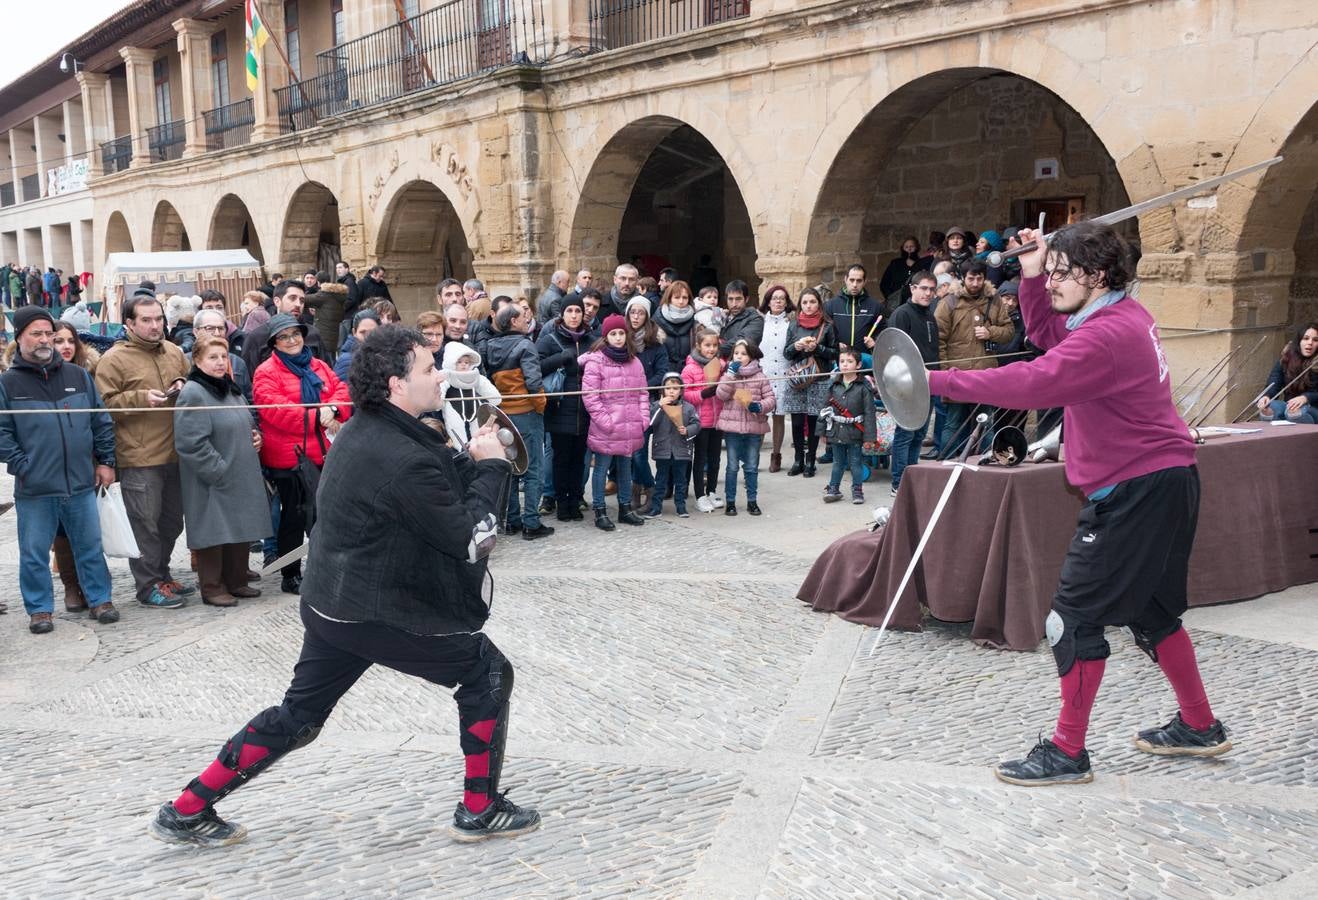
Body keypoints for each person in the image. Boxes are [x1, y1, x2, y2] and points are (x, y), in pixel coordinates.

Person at [150, 324, 540, 847]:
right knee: (488, 673)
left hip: (334, 602)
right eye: (428, 368)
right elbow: (473, 541)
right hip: (374, 611)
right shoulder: (397, 452)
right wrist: (491, 469)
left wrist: (467, 458)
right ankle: (480, 808)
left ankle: (186, 808)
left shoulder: (369, 427)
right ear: (398, 385)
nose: (440, 376)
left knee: (300, 716)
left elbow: (417, 490)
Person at [927, 221, 1231, 786]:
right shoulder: (1120, 315)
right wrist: (1033, 273)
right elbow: (1048, 336)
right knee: (1153, 612)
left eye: (1064, 273)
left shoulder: (1106, 336)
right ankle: (1199, 724)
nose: (1054, 283)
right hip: (1166, 480)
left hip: (1136, 488)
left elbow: (1033, 383)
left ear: (1095, 275)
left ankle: (1068, 752)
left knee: (1070, 620)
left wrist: (936, 383)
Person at [0, 307, 119, 633]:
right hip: (35, 488)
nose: (43, 339)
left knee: (89, 548)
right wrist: (25, 466)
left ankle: (100, 600)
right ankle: (40, 609)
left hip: (80, 482)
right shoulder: (7, 384)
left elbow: (100, 421)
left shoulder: (77, 376)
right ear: (19, 337)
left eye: (47, 333)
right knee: (35, 553)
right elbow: (2, 434)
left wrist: (106, 461)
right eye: (35, 333)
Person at [96, 294, 194, 609]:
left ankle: (162, 575)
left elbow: (192, 384)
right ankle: (147, 585)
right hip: (139, 458)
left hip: (176, 453)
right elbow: (102, 407)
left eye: (159, 319)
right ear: (129, 323)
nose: (155, 326)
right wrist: (139, 398)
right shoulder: (113, 358)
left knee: (171, 523)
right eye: (147, 320)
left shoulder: (174, 352)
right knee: (145, 525)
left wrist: (182, 383)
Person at [253, 314, 352, 595]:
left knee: (325, 513)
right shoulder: (265, 372)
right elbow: (275, 409)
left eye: (295, 334)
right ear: (275, 342)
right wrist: (318, 415)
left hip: (323, 452)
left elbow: (340, 390)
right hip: (289, 457)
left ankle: (326, 567)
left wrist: (332, 409)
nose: (292, 340)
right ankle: (291, 574)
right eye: (284, 336)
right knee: (295, 516)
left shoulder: (318, 364)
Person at [174, 335, 270, 607]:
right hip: (212, 478)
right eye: (212, 357)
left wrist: (255, 437)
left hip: (237, 471)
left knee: (239, 527)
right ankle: (212, 586)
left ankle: (237, 579)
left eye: (223, 357)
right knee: (213, 531)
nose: (219, 363)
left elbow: (243, 422)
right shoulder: (193, 392)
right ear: (197, 360)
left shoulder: (229, 388)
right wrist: (217, 470)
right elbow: (190, 442)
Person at [484, 303, 552, 540]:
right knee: (533, 470)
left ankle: (512, 521)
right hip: (527, 414)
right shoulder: (526, 345)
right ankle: (531, 522)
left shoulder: (489, 346)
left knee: (512, 468)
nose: (527, 319)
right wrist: (541, 407)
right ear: (513, 321)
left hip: (504, 416)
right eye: (523, 316)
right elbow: (534, 384)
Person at [935, 259, 1013, 457]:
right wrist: (944, 374)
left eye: (979, 278)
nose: (976, 283)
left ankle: (988, 465)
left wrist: (990, 332)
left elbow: (1009, 331)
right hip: (957, 372)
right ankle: (947, 464)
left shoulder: (994, 300)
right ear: (963, 278)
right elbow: (939, 340)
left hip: (985, 371)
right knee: (953, 424)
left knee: (986, 423)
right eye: (971, 278)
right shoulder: (949, 302)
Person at [580, 313, 648, 531]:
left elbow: (643, 393)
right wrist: (606, 422)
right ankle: (600, 510)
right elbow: (590, 396)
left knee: (625, 467)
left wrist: (643, 419)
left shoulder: (634, 361)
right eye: (613, 333)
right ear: (606, 336)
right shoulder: (596, 361)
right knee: (601, 468)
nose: (618, 337)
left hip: (631, 424)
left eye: (621, 333)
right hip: (607, 426)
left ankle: (625, 508)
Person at [536, 296, 592, 522]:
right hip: (560, 408)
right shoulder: (549, 339)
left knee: (579, 458)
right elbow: (536, 367)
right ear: (563, 314)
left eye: (577, 310)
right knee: (561, 458)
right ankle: (561, 502)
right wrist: (560, 358)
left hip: (585, 409)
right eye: (569, 310)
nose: (574, 315)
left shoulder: (591, 339)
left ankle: (575, 499)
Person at [886, 272, 939, 494]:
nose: (928, 293)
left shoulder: (930, 315)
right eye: (924, 288)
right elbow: (894, 351)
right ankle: (899, 482)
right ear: (913, 288)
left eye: (931, 289)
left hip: (929, 383)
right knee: (905, 433)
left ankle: (912, 477)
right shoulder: (902, 314)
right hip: (909, 385)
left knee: (919, 434)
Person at [781, 287, 838, 478]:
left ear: (818, 303)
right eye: (804, 302)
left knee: (814, 421)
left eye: (812, 302)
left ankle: (811, 460)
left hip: (819, 378)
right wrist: (795, 346)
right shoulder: (793, 325)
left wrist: (818, 348)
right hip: (798, 377)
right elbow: (786, 353)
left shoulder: (828, 325)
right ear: (800, 305)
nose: (808, 306)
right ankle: (798, 459)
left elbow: (835, 353)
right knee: (797, 422)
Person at [715, 338, 775, 516]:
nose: (739, 357)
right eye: (736, 353)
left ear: (751, 356)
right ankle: (731, 502)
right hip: (733, 430)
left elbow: (771, 399)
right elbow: (721, 395)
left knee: (751, 467)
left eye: (743, 354)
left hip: (753, 428)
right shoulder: (729, 374)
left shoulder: (760, 376)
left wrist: (761, 406)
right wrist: (729, 376)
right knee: (732, 467)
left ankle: (752, 501)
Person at [820, 347, 878, 505]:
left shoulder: (864, 387)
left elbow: (870, 413)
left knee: (855, 463)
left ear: (858, 365)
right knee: (838, 463)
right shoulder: (833, 385)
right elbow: (824, 410)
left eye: (850, 361)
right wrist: (823, 432)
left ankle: (857, 490)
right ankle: (833, 489)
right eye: (842, 361)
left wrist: (870, 437)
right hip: (837, 432)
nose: (845, 364)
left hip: (855, 433)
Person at [625, 296, 667, 510]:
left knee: (640, 450)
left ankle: (649, 489)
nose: (636, 316)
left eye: (641, 312)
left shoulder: (656, 343)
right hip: (625, 403)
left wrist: (640, 385)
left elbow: (662, 372)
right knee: (632, 450)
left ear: (647, 316)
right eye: (633, 312)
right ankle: (637, 489)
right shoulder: (621, 339)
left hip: (648, 402)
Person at [644, 373, 700, 518]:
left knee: (681, 481)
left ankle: (681, 507)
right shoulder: (656, 406)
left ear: (681, 391)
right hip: (662, 450)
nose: (671, 391)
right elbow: (650, 423)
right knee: (660, 480)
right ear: (662, 390)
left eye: (675, 388)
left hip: (681, 450)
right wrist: (660, 407)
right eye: (668, 388)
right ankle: (656, 508)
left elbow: (697, 424)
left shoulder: (688, 407)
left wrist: (687, 430)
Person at [683, 327, 726, 512]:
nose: (711, 349)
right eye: (707, 345)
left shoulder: (721, 366)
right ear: (698, 346)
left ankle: (711, 491)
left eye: (714, 345)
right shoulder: (690, 368)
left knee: (715, 458)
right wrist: (703, 394)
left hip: (718, 420)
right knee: (700, 459)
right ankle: (700, 494)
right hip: (700, 421)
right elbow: (684, 394)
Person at [243, 281, 326, 373]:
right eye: (292, 298)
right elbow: (250, 378)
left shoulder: (313, 333)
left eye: (302, 300)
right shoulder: (257, 337)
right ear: (277, 301)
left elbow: (326, 370)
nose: (298, 304)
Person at [758, 284, 793, 473]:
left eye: (782, 298)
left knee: (779, 415)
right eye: (774, 298)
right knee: (761, 414)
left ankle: (776, 455)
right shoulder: (760, 321)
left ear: (787, 302)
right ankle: (753, 455)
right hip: (763, 372)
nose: (778, 301)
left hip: (782, 372)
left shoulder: (791, 323)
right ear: (768, 301)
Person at [438, 342, 500, 449]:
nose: (464, 364)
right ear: (452, 362)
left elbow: (488, 390)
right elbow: (440, 390)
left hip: (475, 408)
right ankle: (462, 449)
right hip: (454, 409)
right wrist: (438, 402)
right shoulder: (447, 376)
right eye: (460, 362)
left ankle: (479, 448)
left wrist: (495, 399)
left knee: (479, 433)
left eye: (467, 362)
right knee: (457, 432)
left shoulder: (476, 376)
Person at [1257, 322, 1317, 423]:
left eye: (1315, 340)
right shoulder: (1286, 358)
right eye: (1306, 338)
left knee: (1294, 414)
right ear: (1299, 341)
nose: (1310, 343)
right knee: (1269, 409)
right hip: (1289, 405)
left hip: (1313, 407)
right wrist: (1266, 396)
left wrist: (1306, 398)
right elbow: (1274, 381)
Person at [825, 264, 883, 351]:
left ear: (865, 281)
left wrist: (875, 341)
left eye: (859, 281)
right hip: (840, 359)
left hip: (864, 358)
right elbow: (824, 333)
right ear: (845, 279)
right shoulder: (831, 305)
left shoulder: (875, 306)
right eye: (851, 280)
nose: (855, 285)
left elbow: (882, 330)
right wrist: (835, 345)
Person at [654, 279, 697, 372]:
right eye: (677, 297)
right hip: (664, 372)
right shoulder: (656, 320)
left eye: (685, 297)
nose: (681, 301)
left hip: (690, 372)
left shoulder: (696, 320)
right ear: (669, 298)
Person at [718, 280, 764, 359]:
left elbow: (741, 342)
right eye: (730, 299)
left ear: (746, 299)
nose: (734, 304)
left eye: (738, 299)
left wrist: (712, 349)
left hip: (743, 368)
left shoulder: (755, 319)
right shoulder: (721, 317)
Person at [880, 236, 931, 304]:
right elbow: (884, 283)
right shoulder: (895, 264)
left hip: (916, 301)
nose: (909, 249)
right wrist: (890, 297)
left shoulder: (922, 264)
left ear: (916, 248)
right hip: (898, 302)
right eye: (906, 247)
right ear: (903, 248)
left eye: (912, 246)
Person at [305, 278, 349, 357]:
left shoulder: (324, 295)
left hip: (323, 335)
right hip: (334, 336)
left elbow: (304, 299)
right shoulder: (340, 296)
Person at [333, 310, 380, 381]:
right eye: (363, 332)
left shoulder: (383, 355)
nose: (368, 337)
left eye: (373, 332)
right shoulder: (347, 361)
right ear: (354, 332)